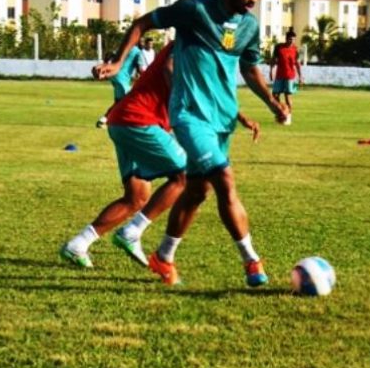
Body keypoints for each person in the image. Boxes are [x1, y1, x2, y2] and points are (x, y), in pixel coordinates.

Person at [95, 0, 288, 287]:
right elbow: (143, 23)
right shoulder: (193, 10)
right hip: (189, 116)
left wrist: (272, 102)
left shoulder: (249, 26)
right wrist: (117, 62)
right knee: (225, 180)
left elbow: (249, 68)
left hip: (222, 120)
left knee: (198, 192)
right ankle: (252, 261)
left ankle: (164, 255)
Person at [62, 43, 261, 269]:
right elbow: (169, 68)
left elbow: (210, 97)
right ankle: (132, 231)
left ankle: (78, 244)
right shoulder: (190, 41)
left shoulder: (203, 52)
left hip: (121, 121)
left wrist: (242, 118)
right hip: (140, 120)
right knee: (185, 176)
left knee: (136, 197)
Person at [96, 45, 142, 128]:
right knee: (130, 102)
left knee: (118, 102)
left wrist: (105, 65)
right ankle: (130, 124)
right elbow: (140, 69)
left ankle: (103, 120)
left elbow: (109, 54)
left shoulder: (124, 47)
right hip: (122, 78)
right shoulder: (138, 52)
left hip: (113, 75)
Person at [269, 28, 303, 123]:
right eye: (290, 39)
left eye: (293, 40)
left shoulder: (295, 49)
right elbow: (273, 60)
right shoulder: (279, 47)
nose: (291, 41)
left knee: (288, 97)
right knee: (275, 96)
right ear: (286, 38)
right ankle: (280, 114)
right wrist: (271, 71)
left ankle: (288, 117)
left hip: (290, 76)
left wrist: (300, 76)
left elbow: (297, 64)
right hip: (279, 75)